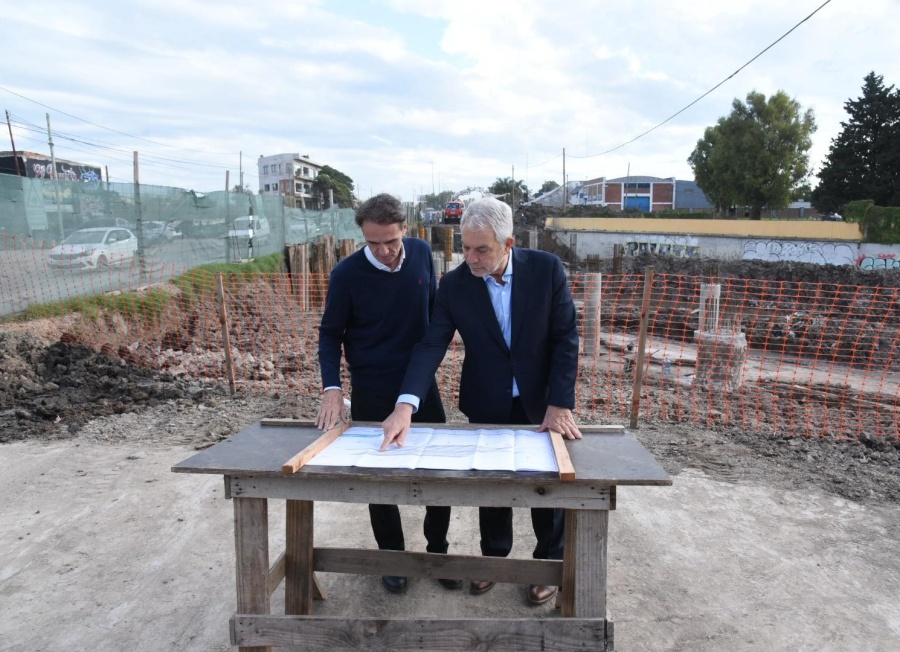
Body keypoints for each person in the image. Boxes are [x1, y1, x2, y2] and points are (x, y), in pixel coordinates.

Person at [381, 196, 582, 606]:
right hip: (486, 400)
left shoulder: (546, 270)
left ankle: (550, 563)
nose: (470, 258)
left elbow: (566, 339)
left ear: (508, 243)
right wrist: (405, 404)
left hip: (541, 402)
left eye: (482, 249)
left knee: (548, 487)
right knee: (493, 487)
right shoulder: (455, 285)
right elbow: (432, 342)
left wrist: (559, 403)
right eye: (466, 247)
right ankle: (494, 562)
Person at [316, 193, 457, 594]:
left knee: (441, 473)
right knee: (377, 477)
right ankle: (392, 556)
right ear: (362, 235)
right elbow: (330, 335)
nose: (384, 250)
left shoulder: (420, 254)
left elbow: (433, 317)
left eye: (391, 241)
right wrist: (332, 388)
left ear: (405, 231)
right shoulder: (346, 274)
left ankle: (438, 552)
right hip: (372, 388)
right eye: (373, 242)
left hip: (420, 386)